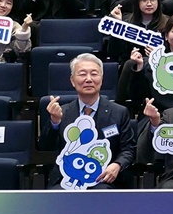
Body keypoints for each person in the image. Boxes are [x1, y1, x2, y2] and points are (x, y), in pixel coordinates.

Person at [39, 54, 137, 190]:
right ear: (72, 81)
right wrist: (55, 122)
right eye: (82, 74)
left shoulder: (119, 112)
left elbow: (128, 149)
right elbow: (45, 147)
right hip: (67, 177)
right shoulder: (61, 112)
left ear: (101, 79)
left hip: (103, 179)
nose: (89, 79)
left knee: (102, 192)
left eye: (94, 74)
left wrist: (117, 165)